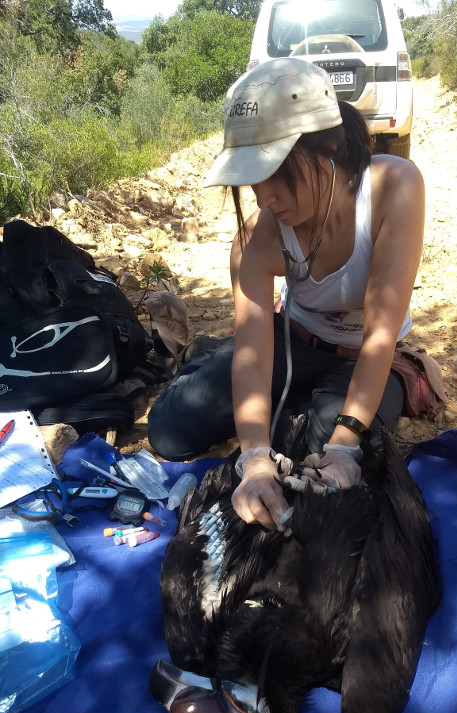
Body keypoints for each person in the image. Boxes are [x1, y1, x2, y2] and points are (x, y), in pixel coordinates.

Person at [148, 57, 425, 533]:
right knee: (171, 431)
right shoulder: (257, 238)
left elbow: (379, 337)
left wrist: (343, 445)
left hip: (363, 359)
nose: (263, 195)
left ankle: (302, 402)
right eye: (251, 178)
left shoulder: (392, 188)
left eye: (275, 172)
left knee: (316, 456)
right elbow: (256, 354)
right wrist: (253, 458)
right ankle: (223, 363)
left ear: (328, 148)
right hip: (291, 342)